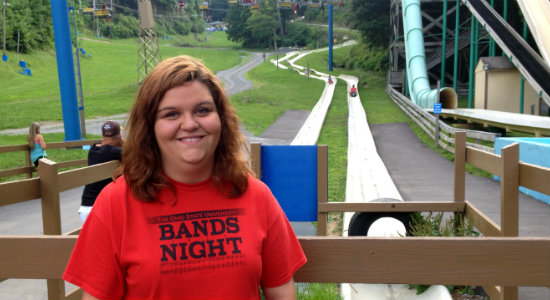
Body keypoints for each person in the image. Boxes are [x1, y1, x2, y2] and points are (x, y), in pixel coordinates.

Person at [63, 55, 307, 300]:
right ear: (150, 127)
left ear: (221, 118)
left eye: (202, 110)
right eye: (171, 114)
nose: (189, 124)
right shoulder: (115, 203)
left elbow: (281, 291)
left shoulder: (257, 196)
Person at [78, 120, 123, 225]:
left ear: (102, 135)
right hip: (98, 207)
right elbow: (135, 157)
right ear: (119, 136)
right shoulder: (115, 152)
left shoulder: (93, 149)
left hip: (85, 206)